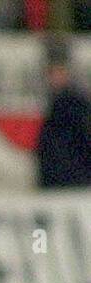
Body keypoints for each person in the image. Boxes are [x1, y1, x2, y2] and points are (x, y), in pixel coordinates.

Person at [35, 39, 91, 189]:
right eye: (51, 71)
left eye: (59, 70)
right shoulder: (56, 102)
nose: (54, 76)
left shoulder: (76, 103)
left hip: (71, 182)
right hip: (58, 181)